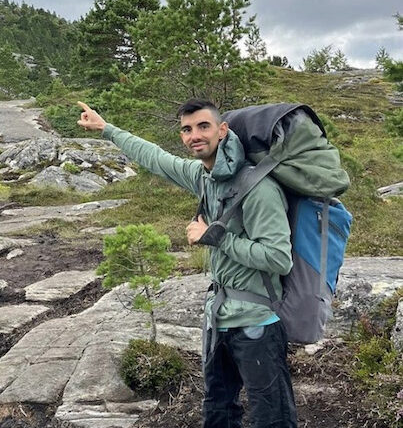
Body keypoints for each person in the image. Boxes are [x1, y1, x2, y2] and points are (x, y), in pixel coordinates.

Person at [77, 98, 297, 428]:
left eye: (203, 126)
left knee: (272, 416)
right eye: (187, 129)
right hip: (218, 320)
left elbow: (278, 258)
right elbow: (155, 157)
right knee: (218, 411)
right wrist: (107, 129)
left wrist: (215, 236)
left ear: (222, 130)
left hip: (258, 323)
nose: (194, 135)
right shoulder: (203, 177)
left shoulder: (259, 188)